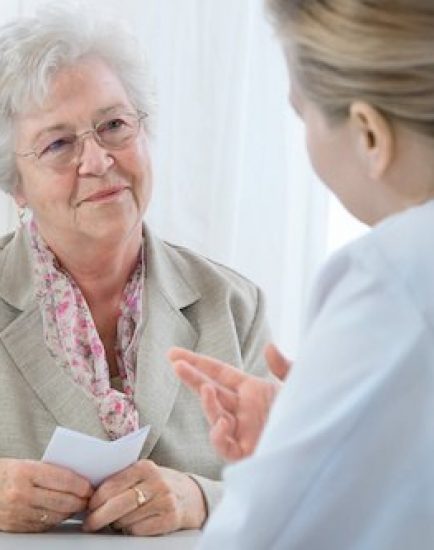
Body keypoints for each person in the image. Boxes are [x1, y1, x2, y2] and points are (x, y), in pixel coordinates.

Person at [169, 0, 434, 548]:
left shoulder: (394, 274)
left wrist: (304, 453)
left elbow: (261, 537)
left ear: (368, 133)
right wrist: (322, 437)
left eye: (301, 114)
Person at [0, 3, 271, 536]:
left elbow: (289, 484)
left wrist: (201, 496)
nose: (98, 160)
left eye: (114, 126)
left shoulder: (234, 305)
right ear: (16, 186)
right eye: (58, 144)